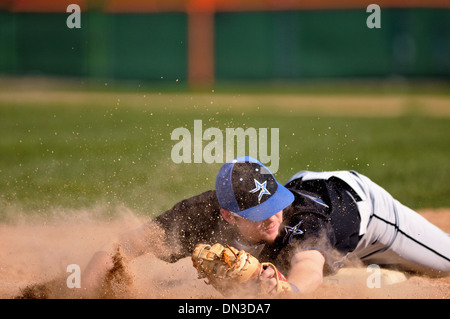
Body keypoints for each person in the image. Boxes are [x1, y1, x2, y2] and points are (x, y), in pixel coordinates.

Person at [82, 156, 450, 295]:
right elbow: (123, 246)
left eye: (275, 204)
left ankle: (377, 263)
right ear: (228, 215)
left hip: (366, 213)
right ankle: (372, 273)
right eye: (260, 213)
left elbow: (307, 273)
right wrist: (81, 290)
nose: (274, 215)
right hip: (331, 232)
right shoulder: (199, 215)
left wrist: (284, 289)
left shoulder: (304, 219)